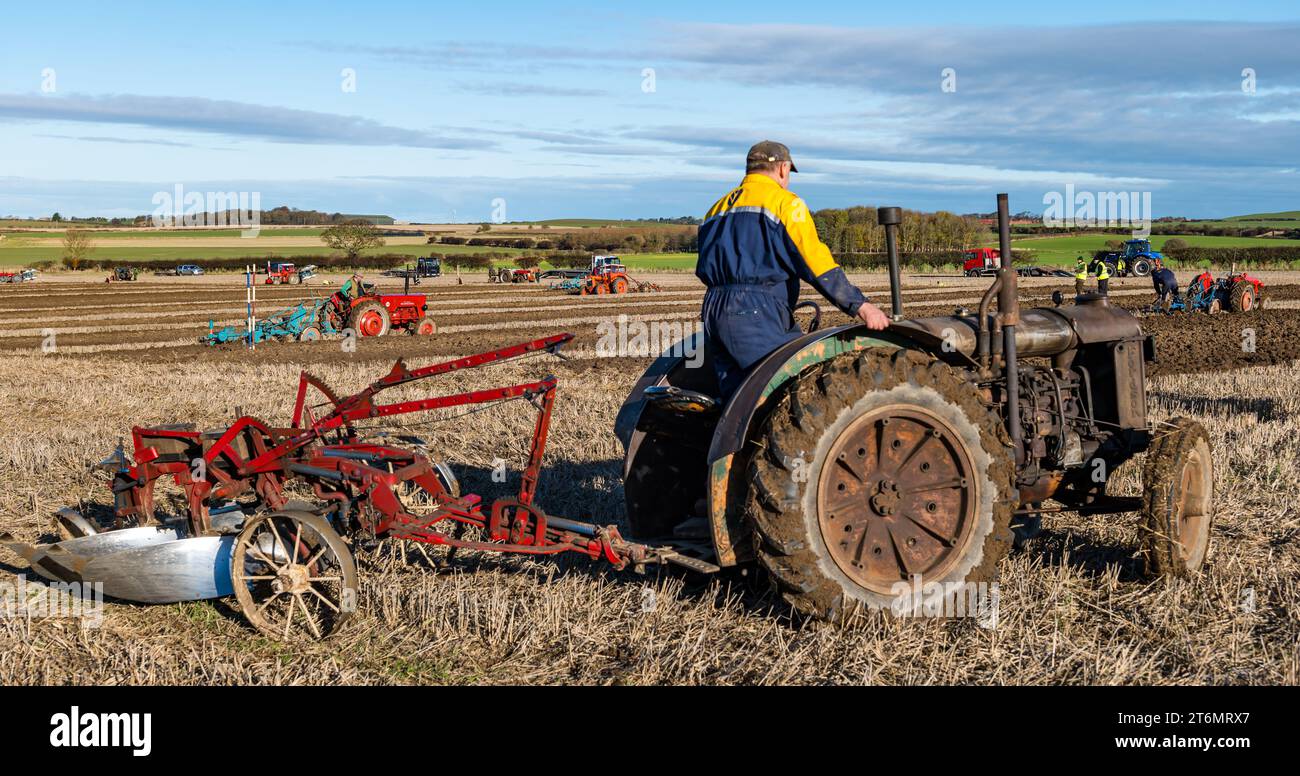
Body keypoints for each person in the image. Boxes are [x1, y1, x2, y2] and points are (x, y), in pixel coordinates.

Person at [697, 141, 890, 398]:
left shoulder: (716, 208)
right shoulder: (785, 204)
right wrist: (861, 306)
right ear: (783, 168)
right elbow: (814, 261)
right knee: (789, 392)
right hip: (756, 311)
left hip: (714, 310)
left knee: (737, 401)